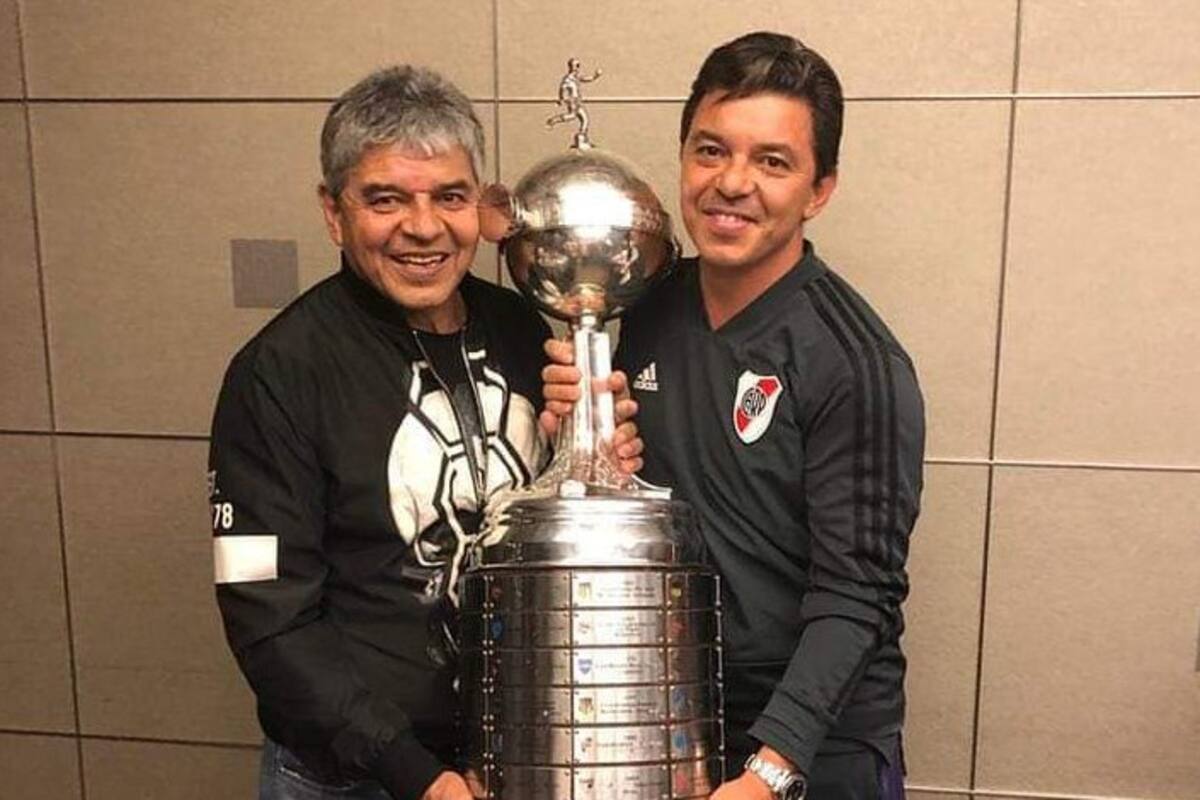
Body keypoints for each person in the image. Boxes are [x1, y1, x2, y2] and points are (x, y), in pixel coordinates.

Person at [209, 65, 641, 800]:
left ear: (481, 206)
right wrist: (414, 775)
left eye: (449, 196)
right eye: (386, 199)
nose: (423, 227)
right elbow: (268, 618)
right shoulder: (277, 374)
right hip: (355, 780)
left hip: (514, 756)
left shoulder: (519, 331)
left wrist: (588, 461)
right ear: (333, 211)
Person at [543, 31, 925, 800]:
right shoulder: (645, 304)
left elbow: (860, 598)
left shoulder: (856, 361)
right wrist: (583, 447)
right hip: (670, 716)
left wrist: (770, 772)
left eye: (772, 161)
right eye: (710, 151)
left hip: (814, 746)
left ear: (820, 190)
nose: (732, 183)